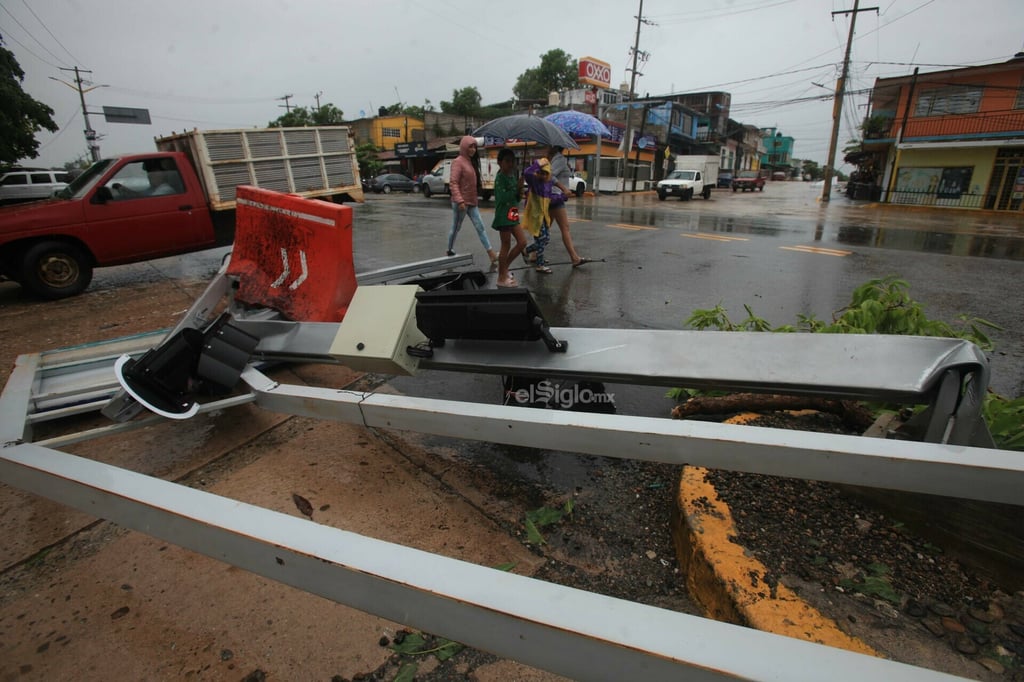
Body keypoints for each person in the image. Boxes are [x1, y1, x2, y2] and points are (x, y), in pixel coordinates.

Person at [446, 136, 498, 266]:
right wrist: (460, 200)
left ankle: (491, 253)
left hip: (472, 202)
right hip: (461, 203)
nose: (473, 149)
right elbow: (453, 183)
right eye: (470, 146)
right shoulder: (458, 162)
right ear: (464, 147)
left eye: (474, 146)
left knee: (480, 227)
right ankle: (449, 250)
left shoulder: (470, 162)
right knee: (456, 227)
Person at [548, 145, 592, 268]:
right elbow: (550, 176)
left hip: (554, 196)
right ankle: (574, 257)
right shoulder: (560, 159)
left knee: (546, 226)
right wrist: (563, 188)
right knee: (565, 228)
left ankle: (533, 252)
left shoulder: (557, 159)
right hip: (556, 196)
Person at [491, 148, 528, 288]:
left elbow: (515, 198)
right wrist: (515, 189)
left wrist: (519, 190)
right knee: (505, 245)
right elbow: (503, 198)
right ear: (499, 162)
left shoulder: (512, 176)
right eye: (507, 161)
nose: (510, 164)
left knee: (522, 242)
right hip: (503, 215)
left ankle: (504, 268)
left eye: (513, 161)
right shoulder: (500, 178)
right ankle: (501, 277)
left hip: (512, 214)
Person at [522, 157, 556, 274]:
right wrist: (538, 164)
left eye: (545, 173)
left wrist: (563, 197)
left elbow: (551, 198)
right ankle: (540, 264)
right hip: (536, 217)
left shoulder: (548, 184)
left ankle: (527, 251)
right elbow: (526, 172)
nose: (542, 175)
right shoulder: (534, 182)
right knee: (541, 240)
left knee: (546, 239)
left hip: (544, 217)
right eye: (540, 173)